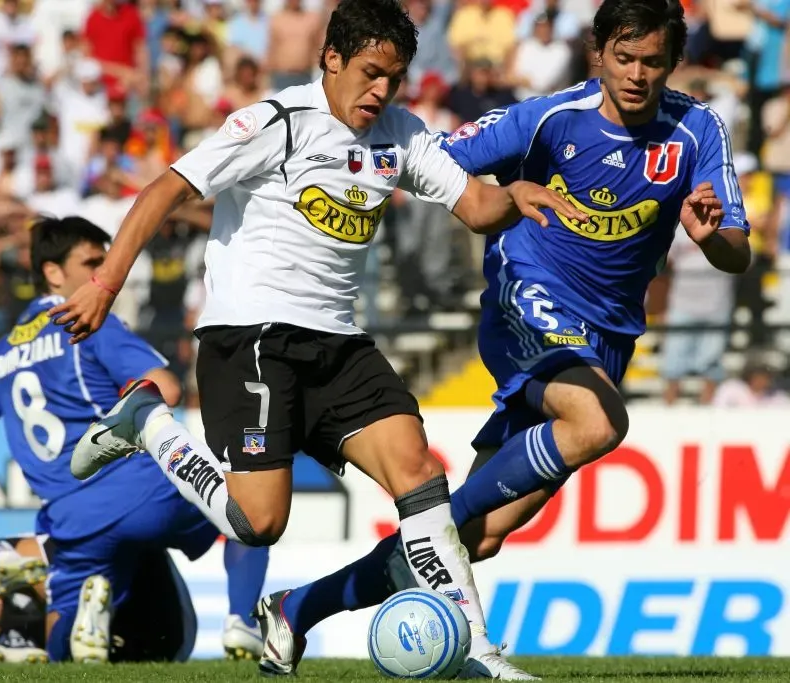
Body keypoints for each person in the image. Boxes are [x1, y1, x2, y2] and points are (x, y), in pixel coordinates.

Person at [53, 0, 584, 678]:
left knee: (419, 474)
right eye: (369, 73)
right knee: (259, 522)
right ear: (330, 58)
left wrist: (522, 192)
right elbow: (163, 189)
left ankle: (476, 648)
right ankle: (149, 422)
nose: (380, 92)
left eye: (392, 79)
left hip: (337, 342)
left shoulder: (401, 135)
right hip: (252, 334)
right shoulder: (276, 122)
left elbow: (477, 208)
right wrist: (103, 284)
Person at [247, 0, 752, 663]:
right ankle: (432, 535)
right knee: (598, 422)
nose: (636, 74)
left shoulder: (697, 130)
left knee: (477, 536)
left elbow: (738, 251)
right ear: (597, 54)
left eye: (652, 61)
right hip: (528, 296)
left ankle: (295, 607)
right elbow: (433, 157)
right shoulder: (546, 118)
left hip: (608, 338)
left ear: (673, 63)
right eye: (623, 58)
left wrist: (712, 239)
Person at [0, 216, 269, 663]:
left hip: (72, 519)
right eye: (92, 262)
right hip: (141, 491)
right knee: (251, 508)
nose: (105, 272)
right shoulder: (89, 321)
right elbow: (167, 388)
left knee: (62, 652)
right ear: (53, 272)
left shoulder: (2, 353)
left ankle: (47, 611)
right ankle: (242, 621)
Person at [0, 534, 210, 664]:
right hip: (168, 635)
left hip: (164, 633)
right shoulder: (112, 518)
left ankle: (19, 643)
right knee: (49, 581)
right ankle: (28, 644)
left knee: (38, 581)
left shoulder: (59, 536)